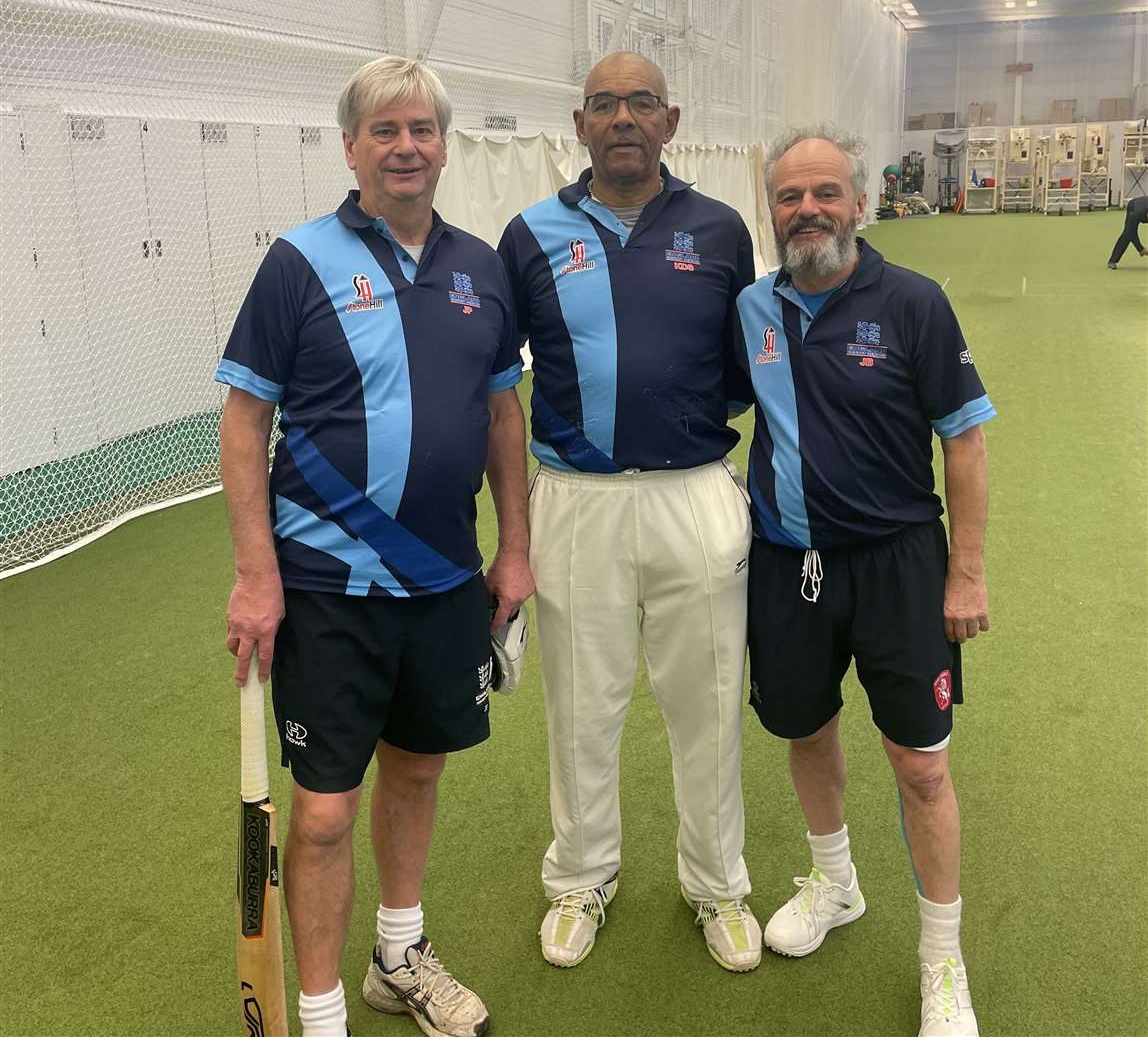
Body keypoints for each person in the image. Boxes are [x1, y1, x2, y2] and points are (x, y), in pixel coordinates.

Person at [216, 56, 533, 1037]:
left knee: (419, 769)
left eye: (422, 130)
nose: (405, 147)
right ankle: (318, 1017)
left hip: (443, 584)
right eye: (384, 131)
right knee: (319, 815)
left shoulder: (481, 268)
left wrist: (513, 550)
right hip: (323, 588)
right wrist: (256, 578)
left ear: (444, 145)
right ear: (350, 145)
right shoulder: (297, 261)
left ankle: (399, 956)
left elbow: (501, 419)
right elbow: (242, 426)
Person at [498, 52, 761, 972]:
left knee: (710, 704)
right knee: (581, 709)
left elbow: (747, 371)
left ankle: (719, 885)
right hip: (576, 502)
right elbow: (498, 388)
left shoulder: (722, 230)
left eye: (640, 103)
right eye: (604, 104)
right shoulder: (529, 235)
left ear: (671, 120)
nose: (623, 118)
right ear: (578, 126)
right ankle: (580, 878)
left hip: (695, 495)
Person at [733, 123, 994, 1037]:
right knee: (805, 729)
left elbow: (963, 438)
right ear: (772, 212)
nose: (808, 211)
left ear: (859, 202)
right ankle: (835, 883)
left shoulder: (915, 302)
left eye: (825, 194)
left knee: (921, 767)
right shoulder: (753, 311)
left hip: (899, 569)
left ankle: (941, 961)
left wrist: (965, 575)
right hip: (786, 566)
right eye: (789, 198)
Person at [1107, 194, 1148, 268]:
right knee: (1127, 233)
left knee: (1128, 233)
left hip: (1143, 210)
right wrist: (1141, 249)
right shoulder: (1137, 213)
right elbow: (1131, 233)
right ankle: (1112, 261)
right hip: (1134, 206)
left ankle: (1112, 261)